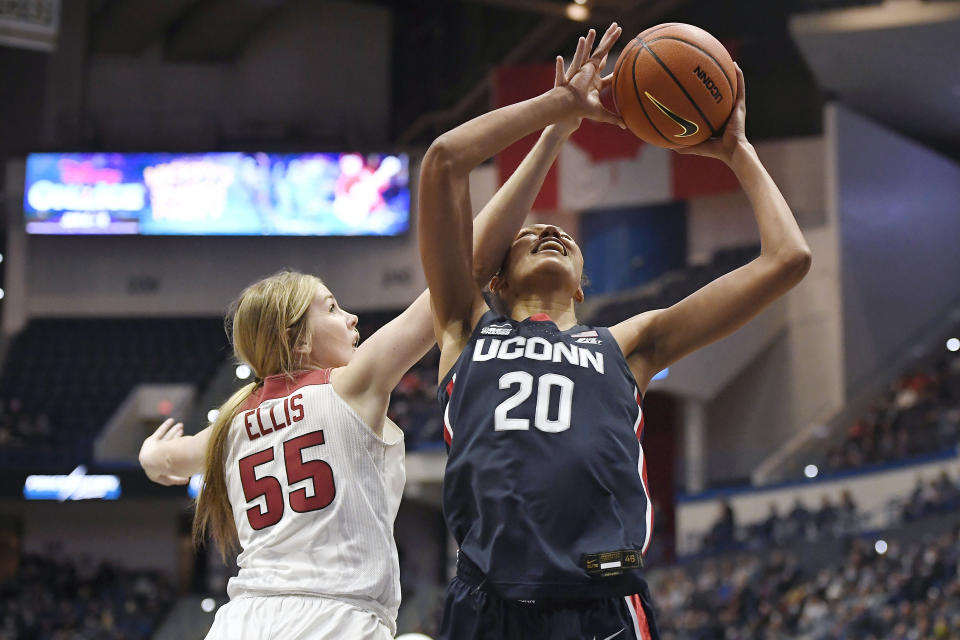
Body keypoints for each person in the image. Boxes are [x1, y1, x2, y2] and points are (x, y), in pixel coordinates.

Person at [418, 22, 811, 639]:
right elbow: (444, 161)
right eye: (529, 237)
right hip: (488, 601)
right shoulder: (464, 329)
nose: (549, 233)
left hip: (600, 603)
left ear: (581, 285)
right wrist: (559, 117)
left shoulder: (628, 344)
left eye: (564, 239)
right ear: (494, 279)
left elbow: (788, 260)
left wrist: (738, 151)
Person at [137, 121, 572, 637]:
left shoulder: (231, 422)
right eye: (333, 307)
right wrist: (551, 139)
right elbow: (468, 266)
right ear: (299, 341)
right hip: (333, 620)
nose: (352, 320)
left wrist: (153, 456)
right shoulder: (350, 386)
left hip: (241, 621)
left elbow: (167, 459)